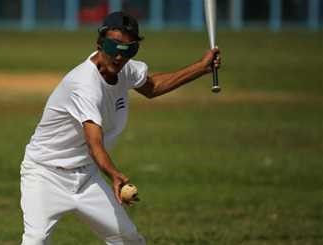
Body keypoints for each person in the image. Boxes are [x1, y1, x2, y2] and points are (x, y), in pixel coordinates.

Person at [20, 11, 221, 245]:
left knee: (128, 239)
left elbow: (153, 87)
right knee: (35, 240)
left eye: (128, 50)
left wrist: (201, 67)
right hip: (45, 175)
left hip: (86, 176)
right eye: (112, 46)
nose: (118, 57)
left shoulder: (125, 69)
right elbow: (94, 143)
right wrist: (114, 174)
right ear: (99, 43)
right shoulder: (84, 85)